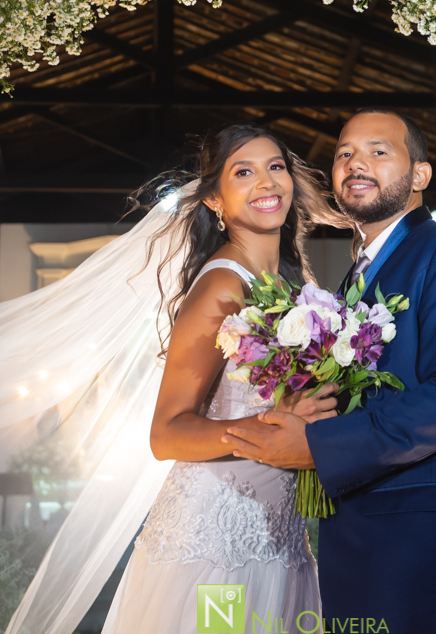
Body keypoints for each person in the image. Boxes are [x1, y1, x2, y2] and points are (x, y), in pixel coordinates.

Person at [224, 109, 436, 633]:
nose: (355, 163)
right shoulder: (356, 275)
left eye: (378, 151)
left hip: (422, 547)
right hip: (360, 539)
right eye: (345, 153)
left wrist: (319, 446)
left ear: (420, 175)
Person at [101, 124, 344, 632]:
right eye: (244, 172)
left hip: (283, 539)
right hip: (216, 541)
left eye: (276, 167)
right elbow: (166, 433)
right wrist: (268, 425)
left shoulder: (293, 285)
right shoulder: (222, 286)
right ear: (214, 198)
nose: (267, 182)